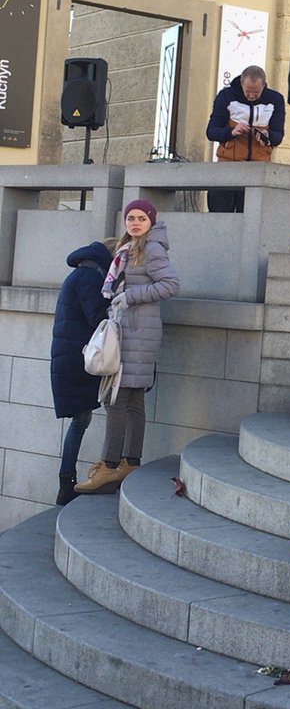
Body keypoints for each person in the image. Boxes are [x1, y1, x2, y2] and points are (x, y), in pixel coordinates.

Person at [75, 200, 180, 493]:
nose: (135, 223)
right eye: (130, 218)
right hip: (133, 329)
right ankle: (129, 461)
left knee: (115, 399)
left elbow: (171, 285)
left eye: (141, 218)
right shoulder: (130, 247)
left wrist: (130, 296)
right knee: (132, 400)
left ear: (151, 221)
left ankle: (109, 466)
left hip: (137, 332)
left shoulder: (151, 248)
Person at [49, 238, 113, 505]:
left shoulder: (81, 273)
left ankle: (68, 481)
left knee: (81, 419)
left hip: (71, 357)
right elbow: (96, 315)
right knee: (90, 416)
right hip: (79, 359)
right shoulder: (89, 276)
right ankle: (74, 480)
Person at [205, 65, 285, 213]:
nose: (252, 96)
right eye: (248, 91)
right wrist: (232, 131)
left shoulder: (275, 100)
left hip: (258, 169)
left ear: (264, 86)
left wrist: (267, 137)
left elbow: (278, 136)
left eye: (256, 92)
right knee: (220, 218)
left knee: (252, 218)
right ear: (241, 84)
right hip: (228, 166)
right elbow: (211, 132)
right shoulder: (226, 96)